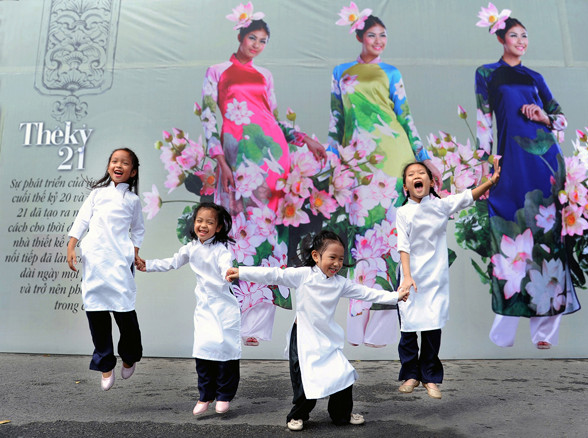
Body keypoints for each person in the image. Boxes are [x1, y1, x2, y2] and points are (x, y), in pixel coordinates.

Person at [202, 5, 327, 347]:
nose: (257, 45)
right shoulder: (217, 71)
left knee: (267, 234)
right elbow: (209, 118)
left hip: (271, 160)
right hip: (237, 157)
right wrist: (220, 160)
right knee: (237, 232)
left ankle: (256, 321)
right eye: (252, 38)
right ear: (240, 36)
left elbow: (272, 118)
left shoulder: (265, 76)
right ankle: (234, 314)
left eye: (263, 41)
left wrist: (304, 138)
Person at [329, 8, 444, 349]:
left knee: (390, 239)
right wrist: (333, 159)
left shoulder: (391, 72)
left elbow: (405, 117)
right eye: (372, 35)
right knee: (362, 238)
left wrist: (424, 159)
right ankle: (356, 322)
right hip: (357, 161)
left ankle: (381, 326)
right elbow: (336, 119)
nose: (378, 41)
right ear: (359, 37)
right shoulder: (340, 72)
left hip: (394, 156)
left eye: (383, 36)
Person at [226, 230, 409, 431]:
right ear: (316, 256)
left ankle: (341, 415)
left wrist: (395, 296)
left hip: (327, 338)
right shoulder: (303, 276)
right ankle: (297, 415)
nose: (337, 263)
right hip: (303, 337)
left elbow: (367, 293)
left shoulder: (340, 283)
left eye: (341, 259)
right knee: (305, 380)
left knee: (343, 375)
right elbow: (274, 274)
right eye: (332, 257)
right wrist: (241, 272)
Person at [475, 13, 580, 349]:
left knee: (547, 239)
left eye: (525, 36)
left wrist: (544, 116)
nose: (521, 41)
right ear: (500, 39)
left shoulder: (535, 77)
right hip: (510, 164)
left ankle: (545, 332)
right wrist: (484, 168)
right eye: (514, 35)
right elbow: (483, 122)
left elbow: (561, 118)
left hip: (544, 161)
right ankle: (504, 327)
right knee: (509, 239)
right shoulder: (486, 74)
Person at [396, 159, 501, 399]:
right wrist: (407, 276)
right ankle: (411, 375)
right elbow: (403, 245)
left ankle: (430, 377)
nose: (416, 176)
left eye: (421, 173)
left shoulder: (441, 206)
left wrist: (491, 181)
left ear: (431, 182)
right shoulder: (402, 212)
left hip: (435, 278)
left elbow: (468, 196)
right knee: (408, 328)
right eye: (411, 174)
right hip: (410, 277)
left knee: (432, 328)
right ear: (406, 186)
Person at [137, 202, 241, 416]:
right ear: (194, 223)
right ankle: (205, 395)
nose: (203, 225)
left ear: (218, 227)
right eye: (199, 221)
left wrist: (228, 273)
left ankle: (223, 395)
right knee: (202, 351)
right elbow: (173, 262)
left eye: (209, 222)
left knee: (225, 351)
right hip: (204, 308)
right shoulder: (191, 248)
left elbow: (226, 266)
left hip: (223, 307)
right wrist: (149, 265)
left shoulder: (221, 251)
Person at [66, 148, 144, 391]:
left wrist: (134, 252)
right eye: (114, 161)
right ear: (109, 166)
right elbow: (82, 220)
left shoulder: (132, 200)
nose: (118, 165)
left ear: (133, 172)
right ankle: (105, 364)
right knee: (96, 313)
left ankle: (130, 355)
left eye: (125, 163)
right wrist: (72, 245)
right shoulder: (97, 194)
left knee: (125, 314)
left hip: (119, 262)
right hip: (95, 261)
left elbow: (138, 229)